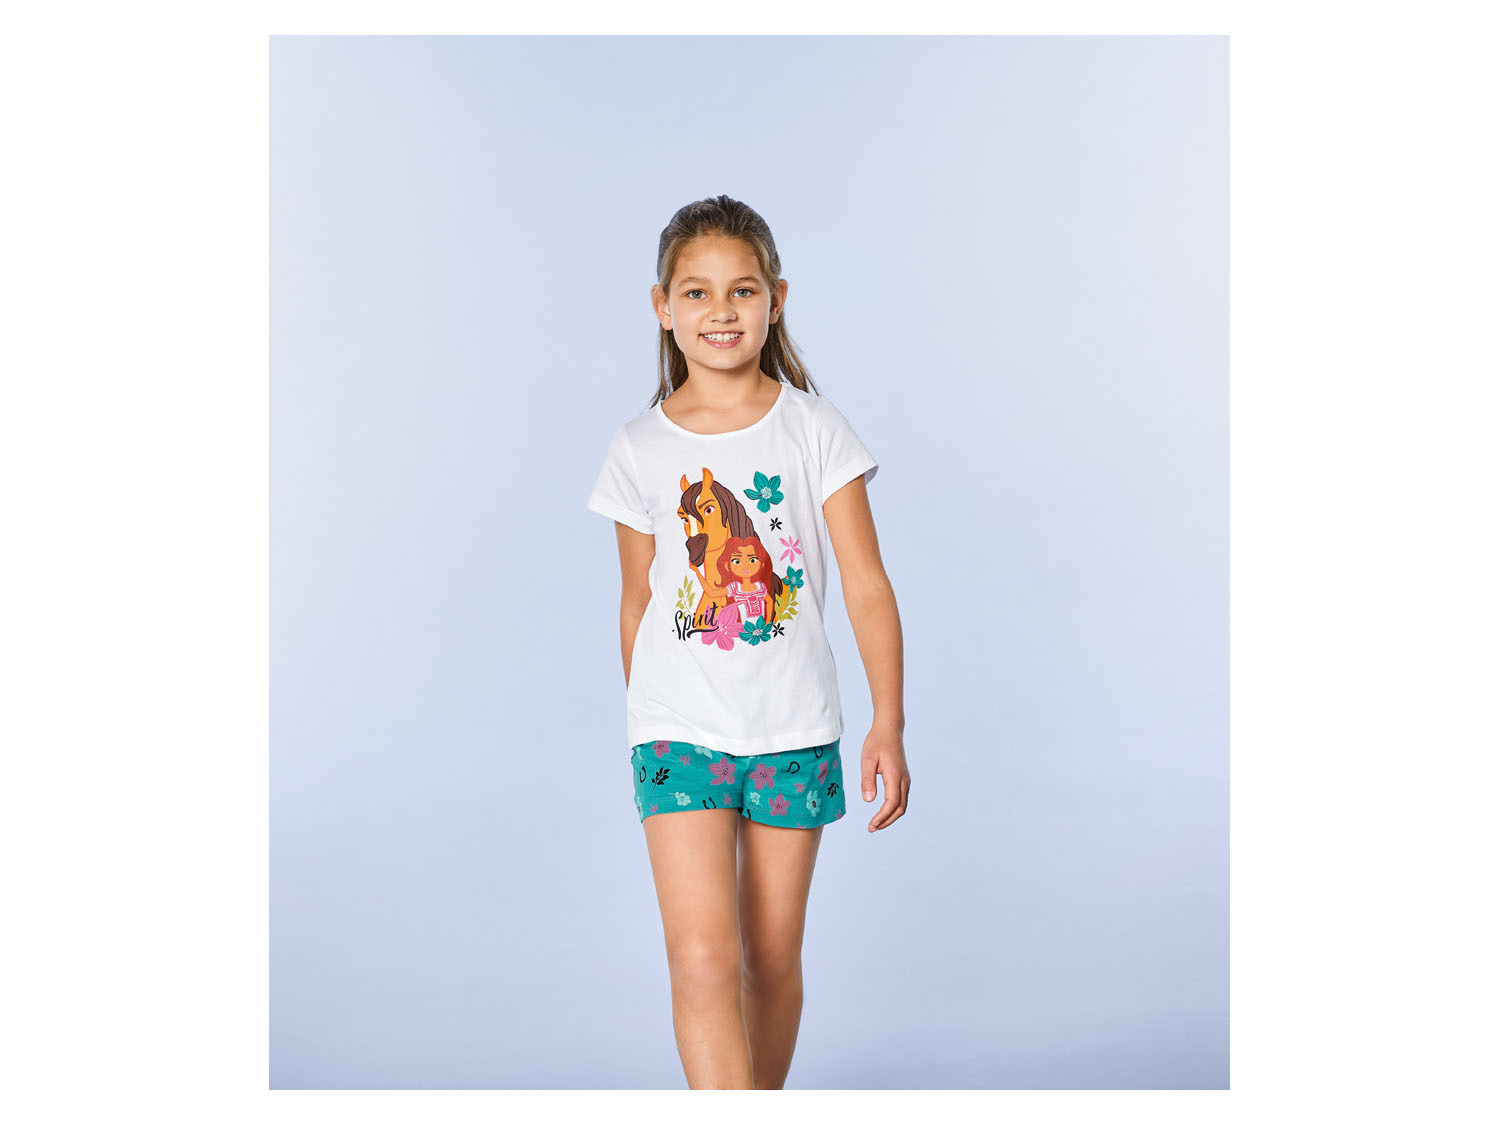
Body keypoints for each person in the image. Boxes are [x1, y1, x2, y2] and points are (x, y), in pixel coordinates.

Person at [585, 194, 910, 1090]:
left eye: (742, 289)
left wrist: (887, 721)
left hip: (793, 728)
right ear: (663, 306)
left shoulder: (815, 428)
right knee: (701, 959)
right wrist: (646, 723)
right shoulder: (638, 448)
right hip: (676, 731)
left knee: (768, 960)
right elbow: (638, 600)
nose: (720, 310)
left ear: (776, 299)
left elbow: (867, 584)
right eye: (696, 291)